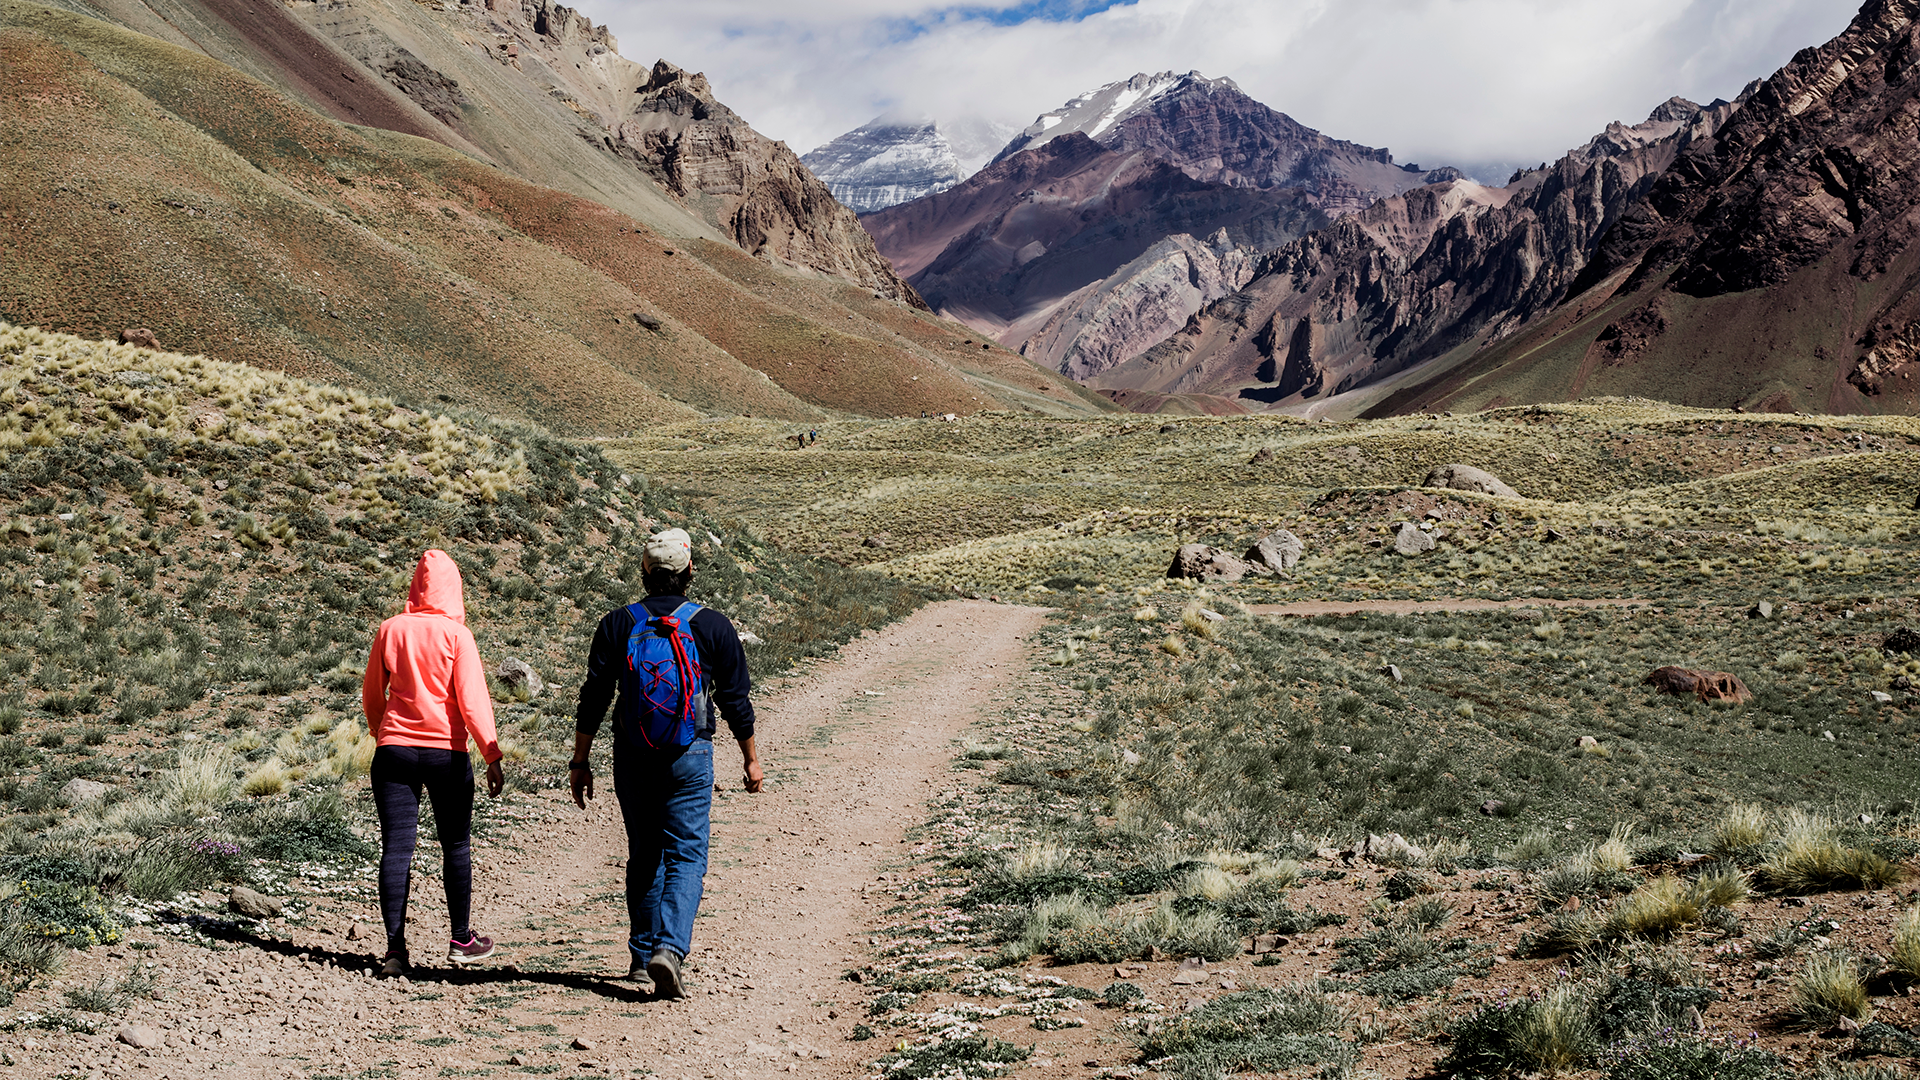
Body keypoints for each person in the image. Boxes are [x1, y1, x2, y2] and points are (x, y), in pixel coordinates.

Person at [571, 528, 763, 997]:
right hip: (690, 752)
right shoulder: (713, 626)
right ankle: (670, 950)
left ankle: (640, 958)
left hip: (631, 753)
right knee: (687, 854)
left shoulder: (617, 623)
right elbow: (735, 699)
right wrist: (751, 759)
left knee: (644, 852)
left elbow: (594, 696)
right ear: (689, 571)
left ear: (645, 572)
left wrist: (580, 758)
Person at [361, 549, 506, 977]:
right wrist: (491, 754)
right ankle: (461, 940)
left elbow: (372, 693)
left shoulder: (391, 629)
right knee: (456, 845)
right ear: (453, 588)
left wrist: (381, 733)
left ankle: (394, 951)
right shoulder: (457, 635)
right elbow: (472, 700)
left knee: (397, 848)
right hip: (447, 752)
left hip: (394, 752)